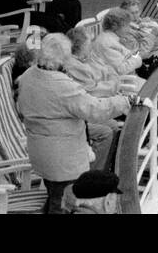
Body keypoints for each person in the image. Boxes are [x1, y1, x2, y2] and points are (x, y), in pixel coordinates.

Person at [15, 33, 132, 212]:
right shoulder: (62, 86)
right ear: (63, 58)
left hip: (40, 151)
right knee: (62, 202)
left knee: (54, 195)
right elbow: (95, 110)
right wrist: (124, 102)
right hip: (63, 158)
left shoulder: (28, 76)